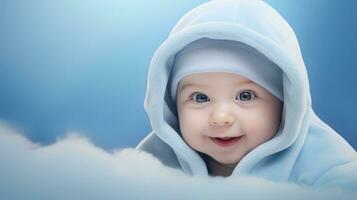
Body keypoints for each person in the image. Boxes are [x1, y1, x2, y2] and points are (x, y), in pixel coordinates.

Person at [136, 0, 357, 190]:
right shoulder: (153, 164)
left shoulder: (328, 169)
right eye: (200, 98)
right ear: (173, 106)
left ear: (286, 102)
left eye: (245, 96)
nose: (221, 117)